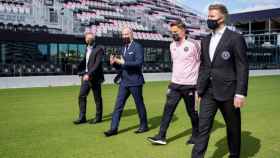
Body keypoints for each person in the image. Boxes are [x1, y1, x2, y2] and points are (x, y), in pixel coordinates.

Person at [191, 4, 249, 158]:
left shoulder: (235, 38)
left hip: (229, 92)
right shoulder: (205, 40)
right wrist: (199, 89)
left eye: (212, 16)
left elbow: (242, 66)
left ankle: (234, 155)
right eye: (208, 16)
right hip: (208, 92)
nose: (208, 19)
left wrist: (240, 94)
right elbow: (204, 66)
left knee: (233, 127)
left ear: (222, 18)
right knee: (203, 127)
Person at [147, 20, 200, 145]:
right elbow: (176, 65)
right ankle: (161, 136)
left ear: (183, 30)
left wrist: (199, 88)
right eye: (172, 32)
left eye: (175, 32)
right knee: (167, 110)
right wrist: (170, 84)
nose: (173, 34)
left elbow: (201, 64)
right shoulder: (172, 45)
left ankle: (196, 135)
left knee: (192, 112)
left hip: (190, 85)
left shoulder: (194, 44)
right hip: (175, 85)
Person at [104, 26, 149, 137]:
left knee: (139, 105)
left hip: (135, 82)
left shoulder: (137, 46)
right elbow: (121, 67)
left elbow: (139, 63)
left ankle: (144, 126)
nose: (124, 36)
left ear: (131, 34)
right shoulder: (123, 48)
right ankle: (113, 129)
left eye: (126, 34)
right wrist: (114, 63)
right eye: (123, 35)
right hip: (124, 82)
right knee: (118, 106)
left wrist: (122, 62)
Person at [73, 27, 105, 125]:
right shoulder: (87, 48)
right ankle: (82, 117)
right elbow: (85, 61)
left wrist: (89, 74)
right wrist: (78, 69)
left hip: (94, 77)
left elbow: (97, 64)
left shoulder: (99, 49)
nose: (88, 40)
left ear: (93, 39)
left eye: (90, 38)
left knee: (97, 98)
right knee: (81, 96)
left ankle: (98, 117)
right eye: (87, 38)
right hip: (86, 77)